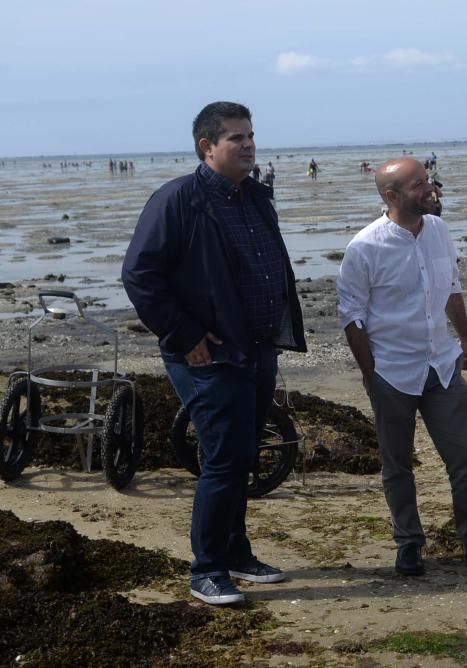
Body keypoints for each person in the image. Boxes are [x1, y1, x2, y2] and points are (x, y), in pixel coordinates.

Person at [122, 101, 307, 605]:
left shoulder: (255, 197)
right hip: (207, 355)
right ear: (208, 147)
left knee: (244, 453)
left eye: (250, 135)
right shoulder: (179, 199)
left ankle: (237, 553)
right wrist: (186, 337)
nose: (248, 144)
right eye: (235, 138)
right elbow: (140, 275)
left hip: (258, 348)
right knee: (225, 458)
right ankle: (206, 571)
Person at [337, 156, 467, 577]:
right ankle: (409, 544)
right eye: (418, 185)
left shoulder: (440, 231)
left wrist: (465, 341)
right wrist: (370, 373)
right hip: (392, 370)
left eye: (427, 181)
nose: (429, 189)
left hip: (442, 365)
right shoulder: (365, 247)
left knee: (465, 458)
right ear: (392, 196)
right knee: (397, 464)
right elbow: (351, 316)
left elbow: (452, 288)